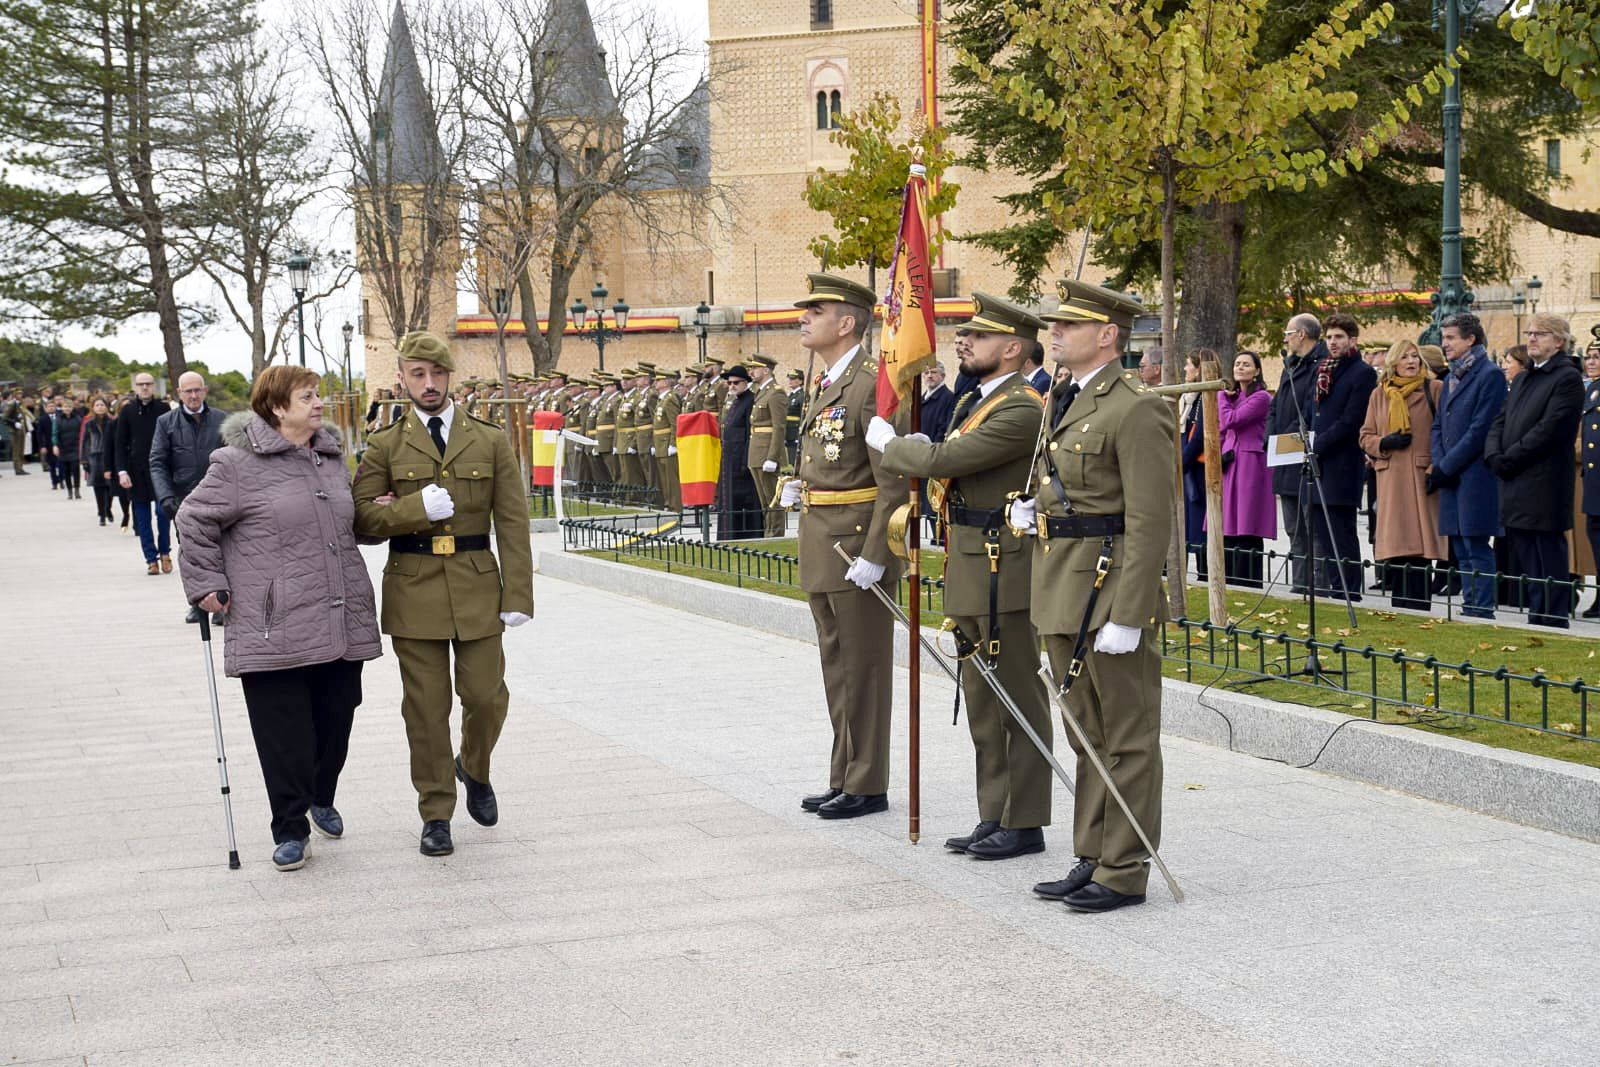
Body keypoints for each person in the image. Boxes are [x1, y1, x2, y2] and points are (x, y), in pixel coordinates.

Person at [870, 292, 1054, 861]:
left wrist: (891, 444)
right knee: (981, 697)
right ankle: (993, 812)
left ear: (1013, 348)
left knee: (1015, 696)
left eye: (979, 336)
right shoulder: (979, 401)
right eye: (966, 333)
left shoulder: (1021, 406)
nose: (964, 341)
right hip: (973, 564)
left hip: (1005, 569)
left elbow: (947, 462)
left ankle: (1024, 822)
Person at [176, 365, 382, 872]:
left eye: (318, 395)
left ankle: (319, 794)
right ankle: (290, 828)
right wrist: (207, 585)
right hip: (273, 622)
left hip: (339, 614)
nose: (319, 403)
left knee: (338, 716)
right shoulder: (235, 464)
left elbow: (349, 524)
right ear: (276, 407)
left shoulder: (332, 459)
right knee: (283, 733)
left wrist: (379, 512)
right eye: (307, 396)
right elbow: (193, 520)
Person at [1011, 278, 1172, 914]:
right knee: (1086, 734)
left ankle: (1125, 867)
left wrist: (1130, 614)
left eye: (1068, 325)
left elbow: (1150, 521)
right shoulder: (1063, 397)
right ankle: (1093, 853)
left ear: (1107, 335)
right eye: (1053, 324)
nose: (1053, 332)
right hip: (1060, 582)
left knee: (1126, 734)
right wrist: (1035, 508)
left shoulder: (1136, 406)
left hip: (1107, 589)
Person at [352, 331, 534, 857]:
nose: (428, 384)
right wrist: (411, 511)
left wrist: (517, 593)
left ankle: (474, 767)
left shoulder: (490, 439)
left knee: (485, 697)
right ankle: (436, 812)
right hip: (414, 589)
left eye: (437, 374)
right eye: (417, 375)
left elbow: (514, 523)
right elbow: (361, 516)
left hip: (478, 586)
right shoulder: (385, 444)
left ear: (450, 376)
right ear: (402, 378)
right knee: (426, 710)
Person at [778, 273, 906, 820]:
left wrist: (878, 552)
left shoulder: (871, 382)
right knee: (838, 667)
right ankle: (844, 774)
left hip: (855, 548)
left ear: (847, 322)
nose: (804, 318)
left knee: (864, 669)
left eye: (817, 310)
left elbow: (893, 477)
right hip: (823, 543)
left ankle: (867, 782)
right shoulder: (828, 379)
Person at [1485, 314, 1584, 627]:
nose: (1530, 339)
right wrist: (1493, 454)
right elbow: (1500, 419)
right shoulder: (1525, 376)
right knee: (1524, 547)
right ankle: (1536, 610)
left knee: (1547, 547)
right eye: (1529, 333)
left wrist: (1511, 457)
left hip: (1544, 478)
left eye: (1539, 334)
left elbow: (1551, 428)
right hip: (1515, 476)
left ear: (1558, 341)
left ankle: (1553, 615)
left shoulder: (1566, 377)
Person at [1359, 340, 1446, 610]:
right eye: (1405, 357)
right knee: (1397, 548)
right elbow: (1365, 436)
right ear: (1393, 363)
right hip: (1391, 477)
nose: (1411, 362)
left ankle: (1420, 606)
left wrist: (1436, 468)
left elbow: (1445, 434)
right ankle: (1400, 607)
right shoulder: (1380, 394)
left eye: (1415, 357)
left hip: (1422, 477)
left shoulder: (1435, 389)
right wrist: (1384, 443)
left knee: (1421, 549)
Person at [1430, 311, 1505, 620]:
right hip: (1451, 474)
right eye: (1443, 337)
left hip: (1474, 475)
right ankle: (1469, 605)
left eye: (1450, 338)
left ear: (1470, 339)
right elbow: (1438, 427)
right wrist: (1439, 462)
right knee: (1459, 547)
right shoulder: (1450, 377)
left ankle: (1482, 610)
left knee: (1476, 545)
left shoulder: (1490, 375)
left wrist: (1446, 465)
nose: (1444, 343)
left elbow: (1480, 429)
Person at [1301, 312, 1376, 601]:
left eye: (1339, 337)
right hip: (1317, 461)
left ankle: (1349, 592)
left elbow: (1351, 420)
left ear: (1352, 340)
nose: (1333, 342)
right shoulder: (1322, 369)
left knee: (1341, 533)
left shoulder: (1362, 373)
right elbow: (1311, 412)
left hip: (1342, 465)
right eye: (1329, 337)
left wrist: (1316, 445)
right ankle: (1334, 589)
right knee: (1322, 531)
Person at [1268, 314, 1324, 593]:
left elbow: (1308, 409)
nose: (1285, 339)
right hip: (1284, 457)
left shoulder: (1319, 365)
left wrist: (1285, 439)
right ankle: (1300, 584)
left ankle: (1316, 586)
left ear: (1302, 334)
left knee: (1311, 528)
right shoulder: (1289, 366)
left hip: (1301, 455)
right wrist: (1271, 437)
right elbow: (1276, 405)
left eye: (1288, 333)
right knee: (1293, 528)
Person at [1216, 350, 1275, 587]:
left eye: (1246, 365)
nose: (1240, 368)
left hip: (1250, 462)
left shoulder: (1260, 398)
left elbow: (1231, 420)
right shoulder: (1234, 397)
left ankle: (1248, 580)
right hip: (1230, 462)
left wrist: (1221, 397)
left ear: (1257, 371)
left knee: (1247, 522)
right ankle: (1230, 577)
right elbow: (1223, 429)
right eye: (1237, 363)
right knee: (1229, 522)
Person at [114, 373, 173, 575]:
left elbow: (172, 440)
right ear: (135, 387)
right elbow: (119, 444)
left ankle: (165, 553)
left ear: (154, 386)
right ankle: (151, 559)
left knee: (162, 512)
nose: (145, 388)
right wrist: (121, 471)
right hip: (135, 472)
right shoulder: (127, 411)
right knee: (142, 518)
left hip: (160, 470)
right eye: (141, 385)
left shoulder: (163, 409)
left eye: (148, 384)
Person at [717, 364, 763, 539]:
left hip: (741, 460)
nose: (732, 386)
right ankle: (729, 535)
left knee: (744, 501)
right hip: (730, 458)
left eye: (736, 382)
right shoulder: (734, 401)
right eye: (729, 383)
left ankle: (744, 535)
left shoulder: (750, 400)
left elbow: (750, 433)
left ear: (746, 382)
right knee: (729, 500)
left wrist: (745, 461)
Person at [745, 355, 789, 536]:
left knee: (772, 498)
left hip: (767, 453)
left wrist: (772, 457)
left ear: (766, 370)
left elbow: (779, 427)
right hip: (757, 451)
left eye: (754, 368)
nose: (751, 372)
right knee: (764, 499)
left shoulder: (775, 392)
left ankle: (775, 533)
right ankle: (768, 532)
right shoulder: (761, 391)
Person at [1179, 351, 1207, 580]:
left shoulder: (1204, 398)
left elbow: (1198, 437)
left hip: (1196, 469)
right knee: (1188, 526)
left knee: (1199, 526)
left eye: (1188, 365)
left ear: (1198, 369)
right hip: (1185, 468)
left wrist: (1179, 463)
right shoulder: (1186, 398)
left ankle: (1205, 573)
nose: (1185, 369)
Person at [1579, 343, 1600, 618]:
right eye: (1589, 357)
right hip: (1594, 480)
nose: (1591, 362)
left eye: (1597, 357)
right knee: (1596, 537)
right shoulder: (1591, 389)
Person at [80, 398, 116, 525]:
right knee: (98, 486)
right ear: (93, 408)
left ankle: (108, 508)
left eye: (102, 404)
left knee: (110, 486)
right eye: (97, 405)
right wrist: (84, 460)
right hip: (94, 458)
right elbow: (84, 443)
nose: (100, 407)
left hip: (109, 457)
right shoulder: (89, 424)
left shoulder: (112, 422)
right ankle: (101, 513)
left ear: (106, 407)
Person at [52, 399, 84, 500]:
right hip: (63, 447)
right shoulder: (58, 419)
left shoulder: (78, 418)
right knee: (66, 471)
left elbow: (82, 432)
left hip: (75, 447)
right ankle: (69, 491)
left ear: (72, 408)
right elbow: (54, 434)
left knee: (75, 470)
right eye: (65, 406)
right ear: (62, 408)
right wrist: (55, 445)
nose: (67, 409)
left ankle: (77, 490)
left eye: (69, 407)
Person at [4, 390, 29, 475]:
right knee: (16, 450)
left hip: (21, 429)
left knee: (21, 450)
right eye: (18, 394)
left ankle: (21, 468)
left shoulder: (20, 404)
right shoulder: (12, 404)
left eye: (21, 393)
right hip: (14, 430)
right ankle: (17, 469)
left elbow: (23, 417)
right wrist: (14, 423)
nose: (20, 395)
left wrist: (27, 429)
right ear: (14, 395)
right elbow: (5, 417)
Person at [784, 368, 805, 466]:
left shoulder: (802, 396)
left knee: (794, 459)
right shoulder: (791, 396)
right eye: (790, 378)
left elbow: (803, 415)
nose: (790, 381)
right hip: (788, 430)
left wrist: (799, 434)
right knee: (788, 458)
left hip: (795, 431)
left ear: (800, 381)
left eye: (793, 379)